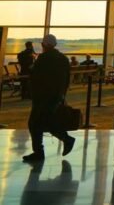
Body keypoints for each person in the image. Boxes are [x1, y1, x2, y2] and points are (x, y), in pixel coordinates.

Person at [23, 34, 75, 162]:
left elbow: (36, 76)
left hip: (42, 97)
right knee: (45, 121)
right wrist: (62, 94)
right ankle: (63, 140)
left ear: (44, 45)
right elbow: (67, 78)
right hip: (56, 96)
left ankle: (43, 150)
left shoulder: (44, 58)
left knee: (35, 123)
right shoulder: (63, 59)